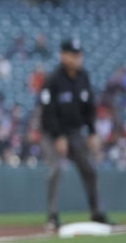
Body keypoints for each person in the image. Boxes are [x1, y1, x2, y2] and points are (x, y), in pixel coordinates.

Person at [38, 39, 110, 231]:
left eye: (79, 55)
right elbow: (48, 112)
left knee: (90, 170)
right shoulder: (53, 79)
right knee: (56, 170)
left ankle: (97, 213)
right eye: (73, 54)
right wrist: (59, 136)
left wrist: (93, 132)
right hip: (52, 133)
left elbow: (89, 108)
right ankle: (52, 216)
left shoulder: (83, 77)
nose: (77, 58)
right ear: (63, 55)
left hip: (76, 132)